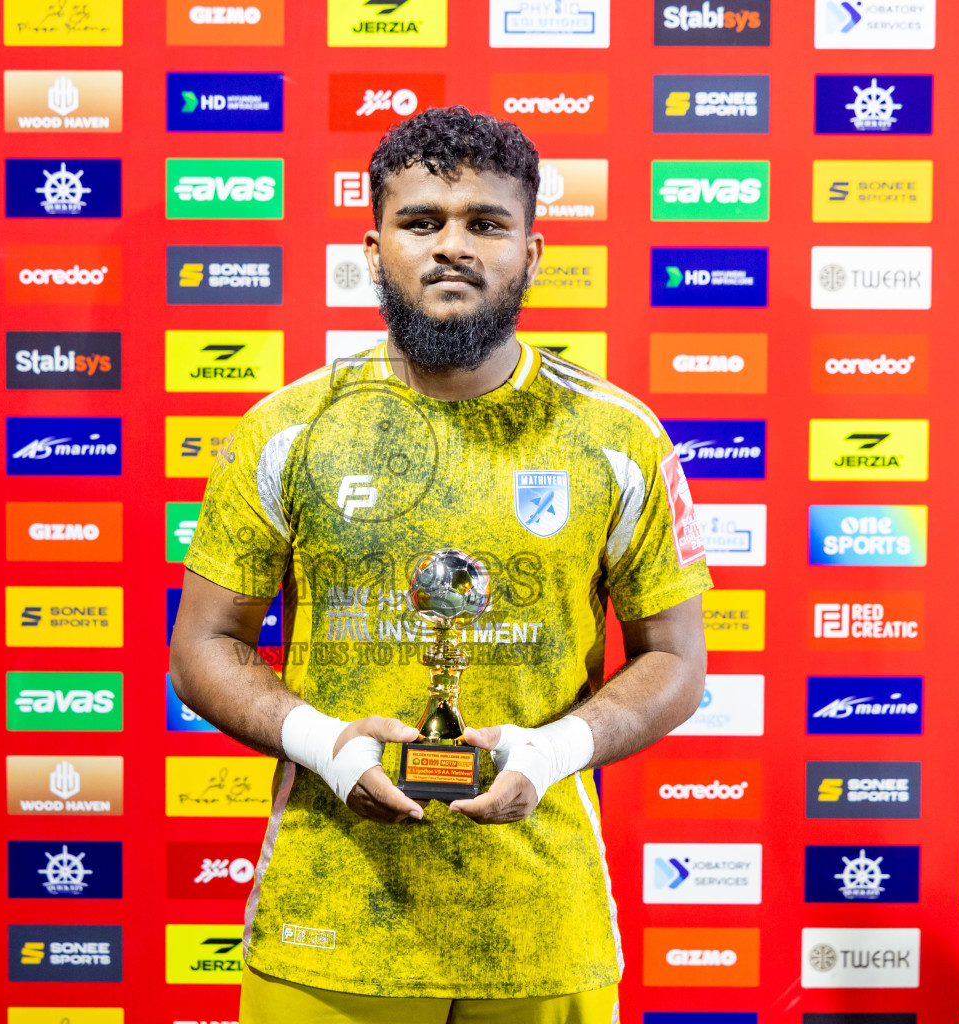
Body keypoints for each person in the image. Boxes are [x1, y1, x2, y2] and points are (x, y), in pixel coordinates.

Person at [170, 105, 712, 1024]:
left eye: (486, 224)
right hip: (330, 926)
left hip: (542, 930)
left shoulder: (616, 437)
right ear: (374, 248)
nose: (452, 247)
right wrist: (325, 748)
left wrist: (553, 753)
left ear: (532, 252)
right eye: (421, 222)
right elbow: (204, 645)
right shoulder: (291, 429)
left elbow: (676, 659)